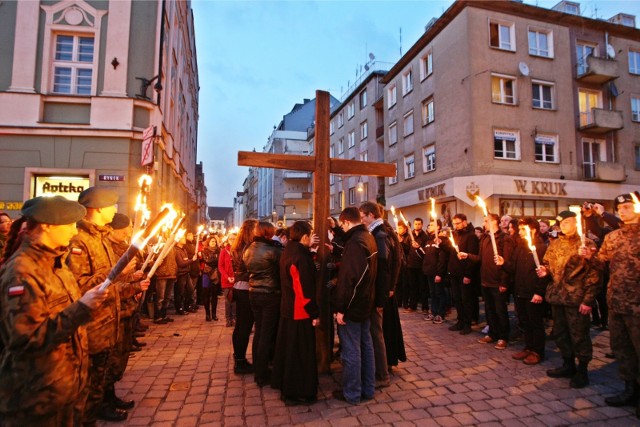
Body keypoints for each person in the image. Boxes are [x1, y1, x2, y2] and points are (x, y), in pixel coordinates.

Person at [0, 196, 108, 426]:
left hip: (64, 388)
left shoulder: (56, 263)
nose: (74, 230)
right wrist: (81, 308)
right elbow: (27, 338)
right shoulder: (22, 272)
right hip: (37, 397)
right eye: (68, 224)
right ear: (47, 226)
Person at [66, 186, 128, 423]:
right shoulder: (80, 240)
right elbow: (78, 284)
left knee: (104, 368)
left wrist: (123, 276)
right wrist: (112, 274)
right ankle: (93, 410)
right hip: (94, 322)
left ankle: (106, 399)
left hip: (108, 318)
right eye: (111, 205)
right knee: (92, 375)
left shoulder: (100, 237)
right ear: (97, 208)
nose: (114, 210)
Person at [537, 210, 601, 389]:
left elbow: (594, 275)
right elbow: (548, 265)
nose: (564, 226)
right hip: (558, 297)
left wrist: (588, 300)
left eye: (568, 222)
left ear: (575, 222)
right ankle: (568, 364)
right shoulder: (555, 244)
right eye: (561, 224)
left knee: (579, 335)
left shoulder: (585, 243)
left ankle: (582, 370)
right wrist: (545, 271)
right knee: (561, 333)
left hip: (576, 298)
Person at [594, 193, 640, 415]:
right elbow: (600, 260)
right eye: (620, 208)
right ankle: (630, 389)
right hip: (617, 301)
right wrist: (588, 255)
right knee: (622, 350)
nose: (624, 210)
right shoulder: (613, 237)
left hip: (638, 306)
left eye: (629, 206)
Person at [271, 221, 320, 406]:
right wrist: (313, 312)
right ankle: (296, 390)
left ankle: (286, 384)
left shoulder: (288, 251)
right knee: (299, 353)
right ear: (305, 237)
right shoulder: (300, 257)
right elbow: (304, 289)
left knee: (288, 349)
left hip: (288, 307)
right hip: (299, 310)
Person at [332, 207, 377, 405]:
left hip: (354, 305)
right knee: (366, 346)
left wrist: (341, 308)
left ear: (346, 222)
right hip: (366, 301)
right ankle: (368, 388)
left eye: (342, 225)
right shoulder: (367, 237)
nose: (342, 227)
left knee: (351, 350)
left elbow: (351, 279)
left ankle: (352, 392)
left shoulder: (356, 243)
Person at [104, 213, 149, 413]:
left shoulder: (122, 246)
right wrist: (132, 284)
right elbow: (106, 283)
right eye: (127, 227)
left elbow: (122, 279)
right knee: (109, 359)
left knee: (120, 356)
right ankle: (103, 402)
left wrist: (134, 278)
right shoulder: (106, 249)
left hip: (125, 308)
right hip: (112, 311)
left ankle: (110, 396)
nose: (129, 231)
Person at [460, 213, 515, 350]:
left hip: (498, 281)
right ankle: (492, 333)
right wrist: (467, 255)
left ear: (494, 222)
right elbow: (480, 258)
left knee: (500, 311)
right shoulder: (484, 238)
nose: (484, 223)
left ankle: (503, 337)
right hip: (485, 280)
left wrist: (504, 282)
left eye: (486, 221)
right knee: (490, 310)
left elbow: (507, 262)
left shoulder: (504, 239)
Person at [503, 218, 548, 365]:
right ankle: (528, 347)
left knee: (535, 323)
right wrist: (503, 263)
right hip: (520, 291)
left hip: (533, 292)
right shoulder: (521, 247)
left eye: (523, 229)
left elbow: (545, 273)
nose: (520, 232)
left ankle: (537, 351)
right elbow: (513, 267)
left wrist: (539, 292)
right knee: (525, 322)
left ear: (533, 230)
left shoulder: (541, 248)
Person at [243, 221, 283, 387]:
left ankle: (258, 370)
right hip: (270, 293)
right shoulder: (273, 251)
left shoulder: (248, 249)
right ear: (268, 233)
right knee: (266, 333)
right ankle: (262, 373)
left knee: (259, 331)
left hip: (254, 292)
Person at [359, 201, 391, 388]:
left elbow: (383, 269)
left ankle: (382, 374)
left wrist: (380, 298)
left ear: (371, 215)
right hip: (375, 292)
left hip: (376, 293)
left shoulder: (379, 235)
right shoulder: (376, 232)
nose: (361, 218)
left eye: (363, 214)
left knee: (376, 333)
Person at [231, 219, 257, 375]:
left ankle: (239, 358)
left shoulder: (238, 245)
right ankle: (240, 362)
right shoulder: (248, 247)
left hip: (239, 286)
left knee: (241, 325)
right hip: (246, 286)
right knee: (245, 326)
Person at [448, 213, 479, 335]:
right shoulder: (455, 235)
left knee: (466, 299)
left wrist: (468, 275)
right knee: (457, 298)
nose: (455, 226)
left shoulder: (471, 236)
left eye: (458, 223)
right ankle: (460, 320)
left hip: (464, 273)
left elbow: (472, 257)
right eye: (454, 223)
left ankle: (467, 323)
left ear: (464, 222)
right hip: (454, 272)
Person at [422, 219, 450, 324]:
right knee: (432, 293)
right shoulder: (428, 240)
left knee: (439, 293)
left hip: (437, 272)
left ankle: (440, 313)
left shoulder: (441, 240)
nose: (429, 226)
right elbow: (425, 255)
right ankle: (433, 312)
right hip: (429, 271)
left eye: (432, 225)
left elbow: (442, 258)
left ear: (438, 227)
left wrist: (439, 273)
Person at [405, 218, 428, 313]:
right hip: (411, 265)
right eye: (415, 224)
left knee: (423, 287)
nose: (417, 225)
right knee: (412, 286)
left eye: (419, 224)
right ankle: (412, 306)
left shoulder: (425, 237)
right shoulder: (410, 236)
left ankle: (425, 307)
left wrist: (419, 247)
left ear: (422, 225)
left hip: (421, 265)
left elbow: (425, 251)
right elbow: (406, 249)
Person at [219, 233, 237, 327]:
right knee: (228, 300)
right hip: (226, 280)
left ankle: (234, 318)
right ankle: (228, 319)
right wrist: (227, 277)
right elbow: (220, 266)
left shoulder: (237, 250)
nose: (232, 240)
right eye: (231, 239)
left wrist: (235, 276)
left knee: (234, 300)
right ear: (228, 240)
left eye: (234, 239)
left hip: (235, 279)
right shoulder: (224, 251)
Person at [202, 236, 221, 321]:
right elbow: (208, 261)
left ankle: (214, 314)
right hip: (206, 274)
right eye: (212, 241)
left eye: (215, 241)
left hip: (215, 274)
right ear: (208, 242)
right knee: (206, 294)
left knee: (214, 295)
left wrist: (215, 260)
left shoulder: (219, 251)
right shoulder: (204, 251)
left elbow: (219, 261)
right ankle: (207, 314)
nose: (214, 243)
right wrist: (215, 260)